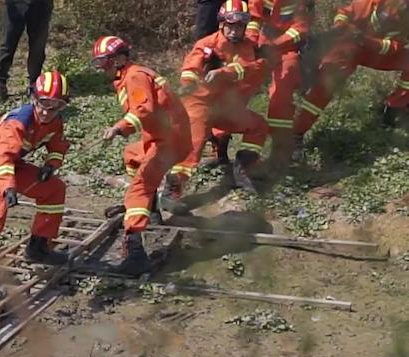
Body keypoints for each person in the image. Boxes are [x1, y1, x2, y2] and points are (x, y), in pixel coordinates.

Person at [0, 70, 71, 298]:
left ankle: (39, 247)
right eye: (43, 104)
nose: (46, 112)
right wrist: (8, 187)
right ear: (34, 99)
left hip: (11, 164)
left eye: (55, 106)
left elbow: (58, 146)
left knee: (54, 189)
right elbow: (4, 155)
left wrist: (50, 165)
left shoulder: (55, 122)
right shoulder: (19, 121)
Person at [92, 36, 192, 276]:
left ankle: (135, 252)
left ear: (117, 60)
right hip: (163, 136)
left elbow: (143, 109)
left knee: (139, 189)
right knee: (131, 155)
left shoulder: (135, 76)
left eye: (104, 62)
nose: (102, 68)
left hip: (169, 140)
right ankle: (152, 210)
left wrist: (118, 128)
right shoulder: (131, 75)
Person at [164, 0, 268, 211]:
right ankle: (171, 193)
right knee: (192, 149)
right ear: (221, 24)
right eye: (230, 25)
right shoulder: (206, 44)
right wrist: (190, 82)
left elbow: (243, 67)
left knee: (258, 126)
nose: (233, 31)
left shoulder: (246, 46)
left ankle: (243, 169)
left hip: (223, 107)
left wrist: (222, 72)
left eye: (239, 26)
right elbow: (189, 69)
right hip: (198, 104)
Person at [293, 0, 409, 156]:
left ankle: (394, 109)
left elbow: (394, 47)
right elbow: (343, 13)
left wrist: (365, 40)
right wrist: (341, 27)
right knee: (326, 84)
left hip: (374, 50)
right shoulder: (366, 3)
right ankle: (296, 133)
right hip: (349, 49)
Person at [246, 0, 314, 167]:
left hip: (288, 47)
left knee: (280, 96)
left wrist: (275, 45)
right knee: (236, 83)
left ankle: (281, 148)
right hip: (264, 42)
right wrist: (251, 43)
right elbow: (253, 17)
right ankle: (221, 145)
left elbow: (300, 29)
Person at [0, 0, 54, 104]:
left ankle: (34, 84)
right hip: (15, 3)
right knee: (8, 42)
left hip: (41, 3)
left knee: (37, 46)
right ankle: (0, 83)